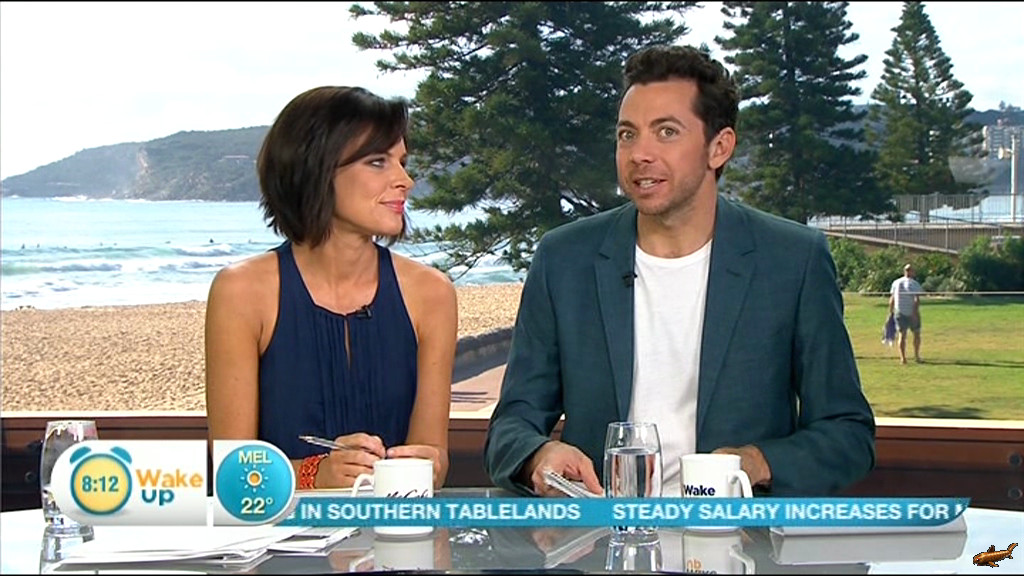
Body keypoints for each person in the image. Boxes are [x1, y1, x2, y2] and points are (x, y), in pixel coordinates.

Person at [484, 45, 875, 497]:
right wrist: (538, 456)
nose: (639, 154)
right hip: (599, 535)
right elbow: (511, 425)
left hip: (735, 535)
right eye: (627, 134)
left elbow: (847, 433)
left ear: (719, 147)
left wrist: (758, 462)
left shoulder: (793, 260)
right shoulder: (565, 259)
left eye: (666, 132)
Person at [205, 86, 458, 490]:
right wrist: (313, 474)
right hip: (278, 529)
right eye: (378, 162)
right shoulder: (242, 292)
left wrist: (429, 465)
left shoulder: (432, 294)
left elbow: (433, 461)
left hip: (395, 526)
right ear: (317, 169)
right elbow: (232, 475)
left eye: (402, 162)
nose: (405, 180)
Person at [889, 263, 923, 364]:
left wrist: (891, 311)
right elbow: (916, 299)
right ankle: (916, 356)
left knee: (902, 335)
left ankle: (903, 358)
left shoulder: (896, 282)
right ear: (912, 272)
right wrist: (914, 313)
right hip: (910, 311)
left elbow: (892, 299)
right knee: (916, 333)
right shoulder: (914, 283)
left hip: (899, 311)